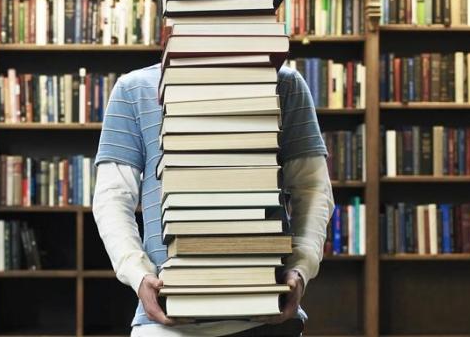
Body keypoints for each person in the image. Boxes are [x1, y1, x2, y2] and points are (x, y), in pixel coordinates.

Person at [92, 62, 334, 337]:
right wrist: (139, 275)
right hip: (166, 321)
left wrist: (300, 269)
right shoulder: (133, 88)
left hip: (267, 317)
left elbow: (313, 190)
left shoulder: (285, 83)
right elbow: (111, 199)